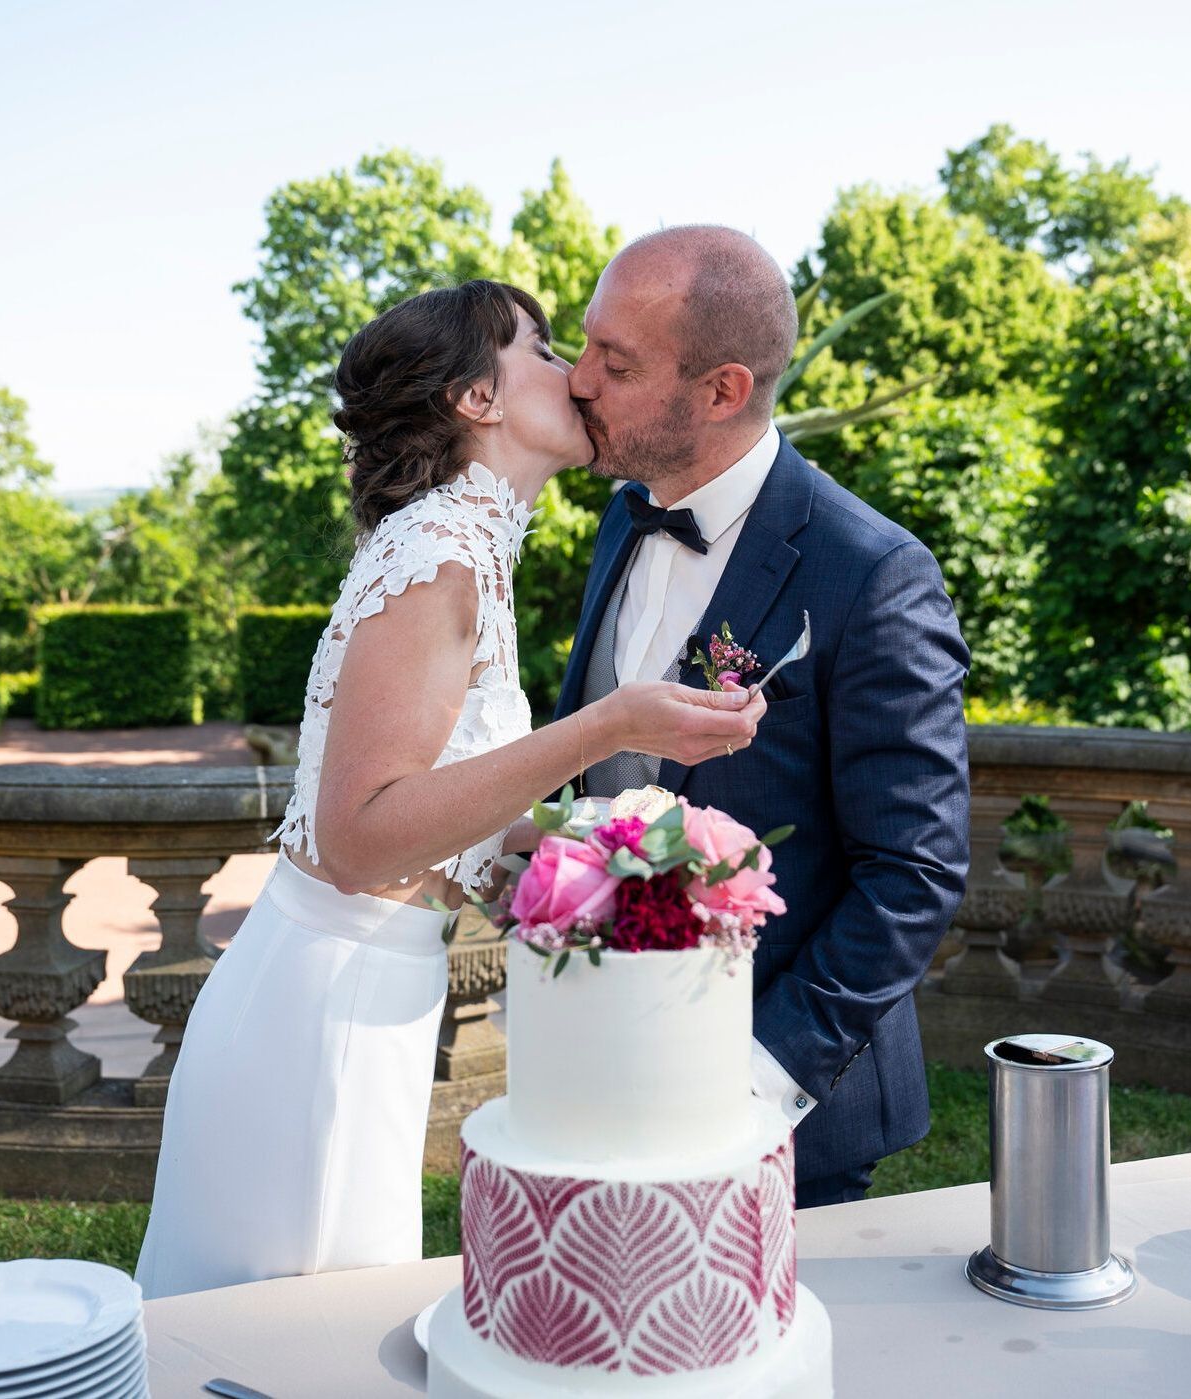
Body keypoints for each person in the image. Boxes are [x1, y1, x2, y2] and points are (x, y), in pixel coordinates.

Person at [134, 280, 765, 1299]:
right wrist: (603, 728)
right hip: (324, 1009)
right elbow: (360, 838)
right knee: (289, 1338)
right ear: (477, 399)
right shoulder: (436, 556)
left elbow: (433, 805)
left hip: (372, 989)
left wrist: (615, 841)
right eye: (543, 348)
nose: (576, 373)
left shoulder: (466, 547)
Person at [556, 227, 971, 1208]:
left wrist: (752, 1078)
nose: (576, 381)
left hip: (785, 1116)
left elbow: (913, 873)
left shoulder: (873, 574)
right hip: (606, 1061)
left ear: (721, 391)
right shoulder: (625, 515)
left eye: (614, 363)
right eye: (585, 345)